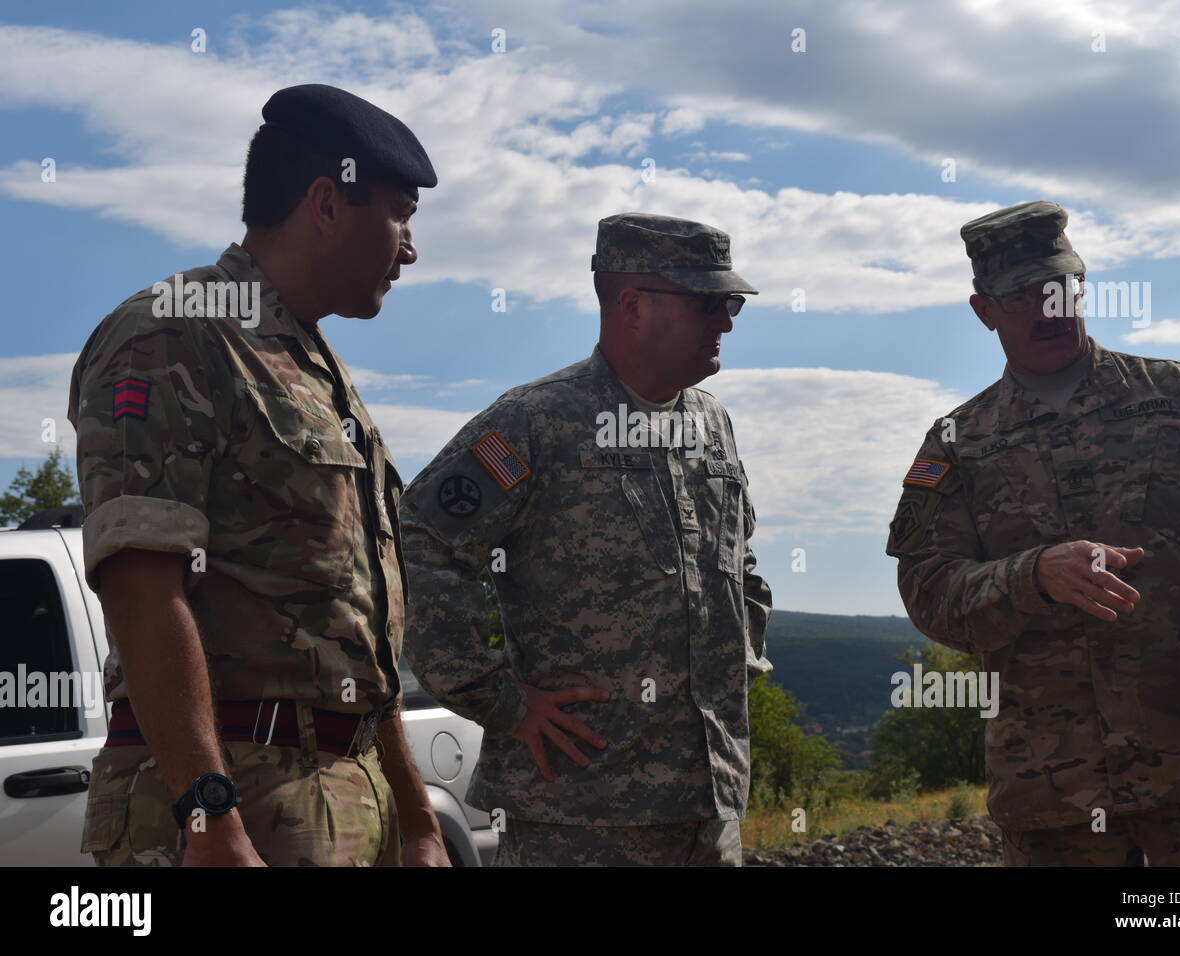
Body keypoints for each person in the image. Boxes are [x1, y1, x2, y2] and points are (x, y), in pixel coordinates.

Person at [70, 84, 450, 867]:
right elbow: (142, 586)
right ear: (326, 202)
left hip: (348, 799)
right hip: (233, 802)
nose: (410, 247)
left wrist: (415, 820)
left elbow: (354, 634)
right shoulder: (175, 332)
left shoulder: (318, 373)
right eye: (401, 215)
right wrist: (208, 813)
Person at [886, 200, 1180, 866]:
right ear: (982, 310)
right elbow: (927, 589)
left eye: (1058, 287)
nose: (1046, 308)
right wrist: (1032, 575)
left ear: (1081, 286)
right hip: (1055, 795)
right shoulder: (961, 442)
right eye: (1019, 296)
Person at [399, 213, 773, 866]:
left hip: (708, 805)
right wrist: (498, 699)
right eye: (709, 302)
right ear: (631, 305)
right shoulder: (537, 422)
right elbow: (420, 543)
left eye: (732, 302)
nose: (727, 321)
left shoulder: (711, 424)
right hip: (579, 815)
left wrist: (747, 634)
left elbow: (736, 559)